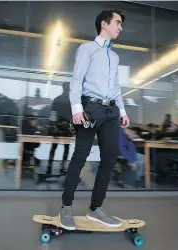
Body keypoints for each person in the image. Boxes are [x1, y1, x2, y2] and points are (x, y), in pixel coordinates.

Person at [59, 9, 129, 230]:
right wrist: (76, 108)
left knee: (109, 160)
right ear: (104, 24)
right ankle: (66, 207)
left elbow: (116, 87)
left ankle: (95, 208)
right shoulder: (87, 49)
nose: (120, 27)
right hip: (90, 108)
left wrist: (123, 110)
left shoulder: (115, 56)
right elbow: (77, 80)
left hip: (111, 112)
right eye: (117, 23)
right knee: (81, 155)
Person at [47, 82, 73, 175]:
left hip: (58, 127)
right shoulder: (71, 101)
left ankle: (49, 167)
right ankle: (62, 167)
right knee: (66, 148)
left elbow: (53, 115)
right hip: (66, 128)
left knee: (54, 148)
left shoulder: (57, 99)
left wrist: (53, 126)